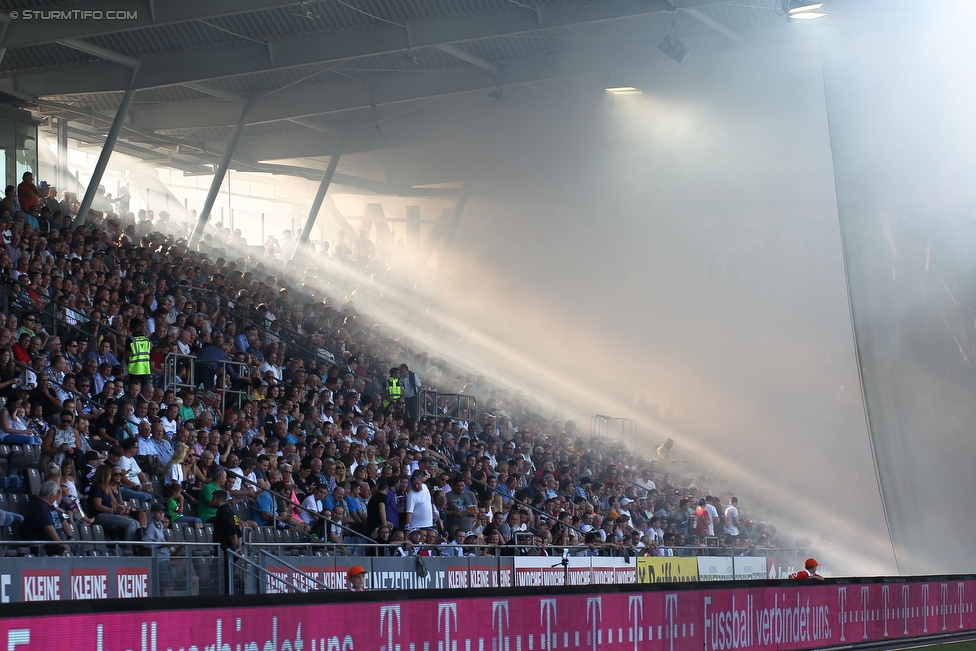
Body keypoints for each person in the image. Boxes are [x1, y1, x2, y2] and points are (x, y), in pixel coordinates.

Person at [22, 480, 72, 555]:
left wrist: (70, 537)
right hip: (44, 545)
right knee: (68, 554)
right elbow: (48, 527)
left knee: (78, 552)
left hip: (55, 544)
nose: (58, 496)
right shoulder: (39, 506)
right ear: (52, 495)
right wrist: (60, 543)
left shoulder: (51, 506)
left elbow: (63, 521)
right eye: (57, 494)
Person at [143, 503, 175, 597]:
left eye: (162, 512)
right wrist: (162, 545)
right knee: (166, 585)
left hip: (166, 558)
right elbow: (146, 543)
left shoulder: (161, 526)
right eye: (158, 512)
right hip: (159, 559)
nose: (161, 514)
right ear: (152, 514)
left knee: (171, 585)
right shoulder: (151, 527)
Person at [126, 318, 152, 388]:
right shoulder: (147, 339)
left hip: (134, 371)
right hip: (145, 369)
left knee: (133, 390)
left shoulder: (130, 339)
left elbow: (127, 357)